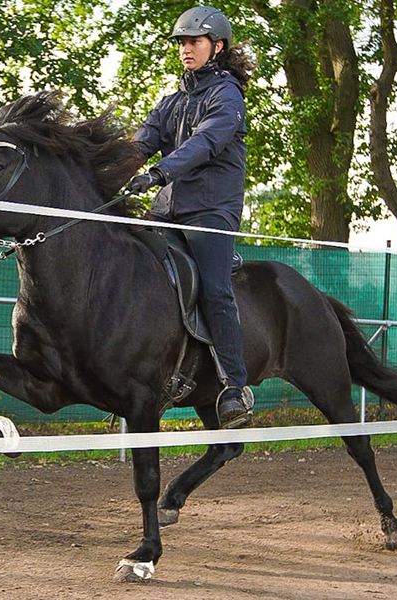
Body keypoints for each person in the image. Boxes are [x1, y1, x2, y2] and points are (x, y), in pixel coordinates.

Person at [126, 5, 254, 429]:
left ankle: (235, 386)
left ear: (217, 47)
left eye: (193, 41)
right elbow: (140, 144)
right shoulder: (171, 103)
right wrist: (106, 167)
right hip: (167, 211)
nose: (185, 49)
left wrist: (159, 173)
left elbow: (205, 144)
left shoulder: (227, 96)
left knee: (215, 291)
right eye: (181, 42)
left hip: (211, 212)